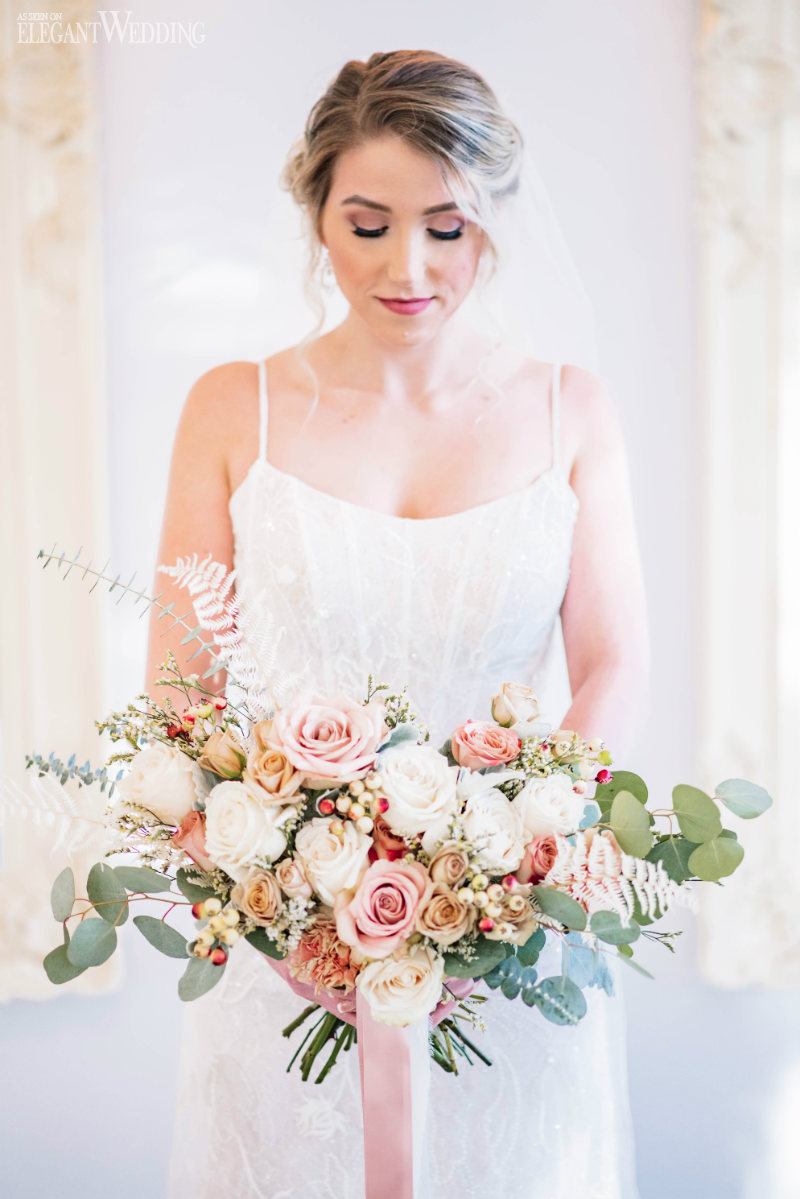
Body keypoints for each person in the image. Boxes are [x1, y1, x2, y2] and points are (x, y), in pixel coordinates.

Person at [147, 49, 648, 1199]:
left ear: (494, 222)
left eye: (446, 227)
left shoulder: (569, 409)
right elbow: (180, 692)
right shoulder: (234, 407)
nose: (406, 266)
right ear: (316, 211)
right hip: (282, 954)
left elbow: (613, 658)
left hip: (507, 950)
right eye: (366, 223)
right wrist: (279, 912)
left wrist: (519, 870)